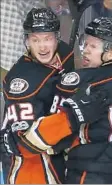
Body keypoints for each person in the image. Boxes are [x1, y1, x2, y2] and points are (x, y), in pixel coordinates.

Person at [1, 17, 112, 184]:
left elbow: (60, 129)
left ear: (111, 52)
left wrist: (21, 143)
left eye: (92, 46)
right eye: (84, 43)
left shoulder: (88, 80)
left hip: (87, 171)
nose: (85, 50)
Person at [0, 7, 74, 184]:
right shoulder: (21, 81)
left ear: (57, 38)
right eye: (35, 40)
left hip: (55, 155)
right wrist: (74, 118)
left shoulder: (64, 53)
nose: (42, 46)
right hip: (28, 164)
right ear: (26, 41)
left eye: (48, 39)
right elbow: (26, 143)